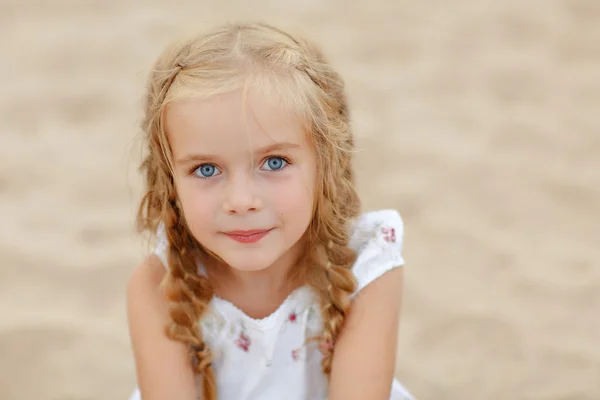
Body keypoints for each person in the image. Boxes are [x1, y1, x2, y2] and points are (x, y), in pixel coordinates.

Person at [126, 22, 415, 400]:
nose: (241, 200)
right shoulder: (159, 286)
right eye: (206, 169)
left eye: (274, 162)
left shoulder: (365, 268)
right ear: (170, 179)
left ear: (325, 164)